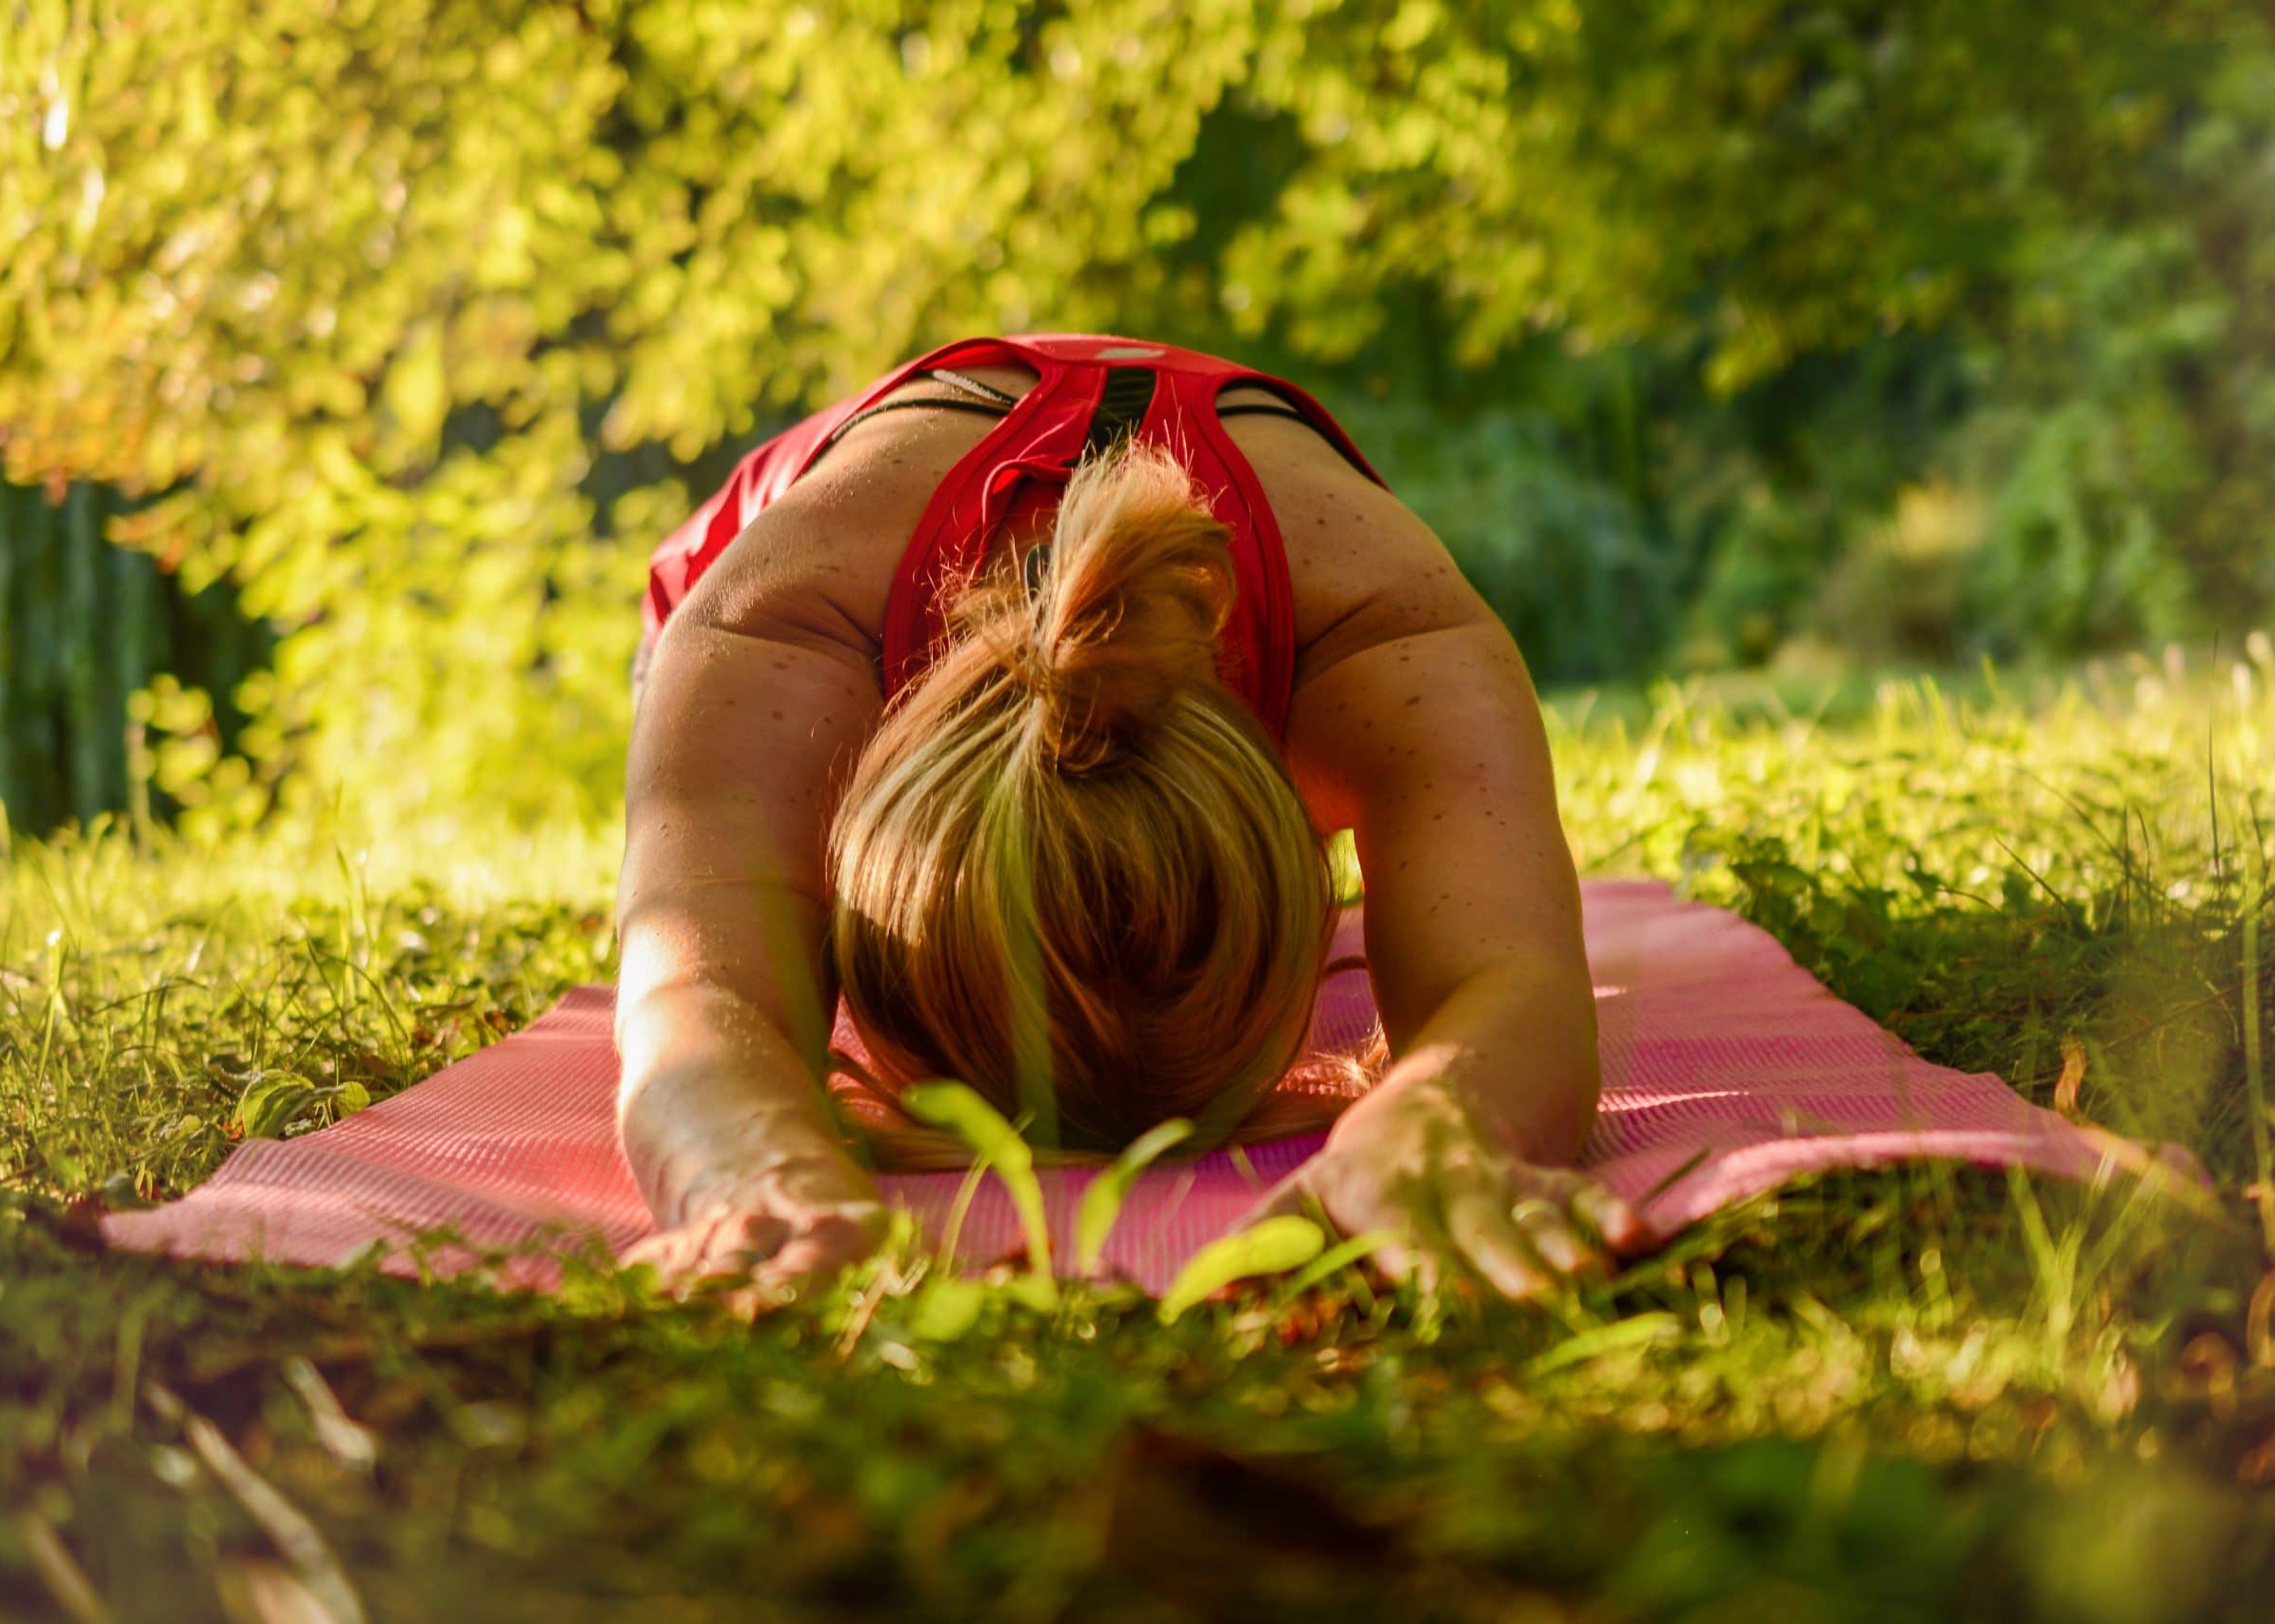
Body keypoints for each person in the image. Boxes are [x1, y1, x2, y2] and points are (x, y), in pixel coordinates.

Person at [615, 333, 1643, 1304]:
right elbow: (690, 990)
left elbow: (1512, 981)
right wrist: (751, 1168)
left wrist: (1443, 1122)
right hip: (802, 554)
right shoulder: (776, 627)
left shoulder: (1384, 632)